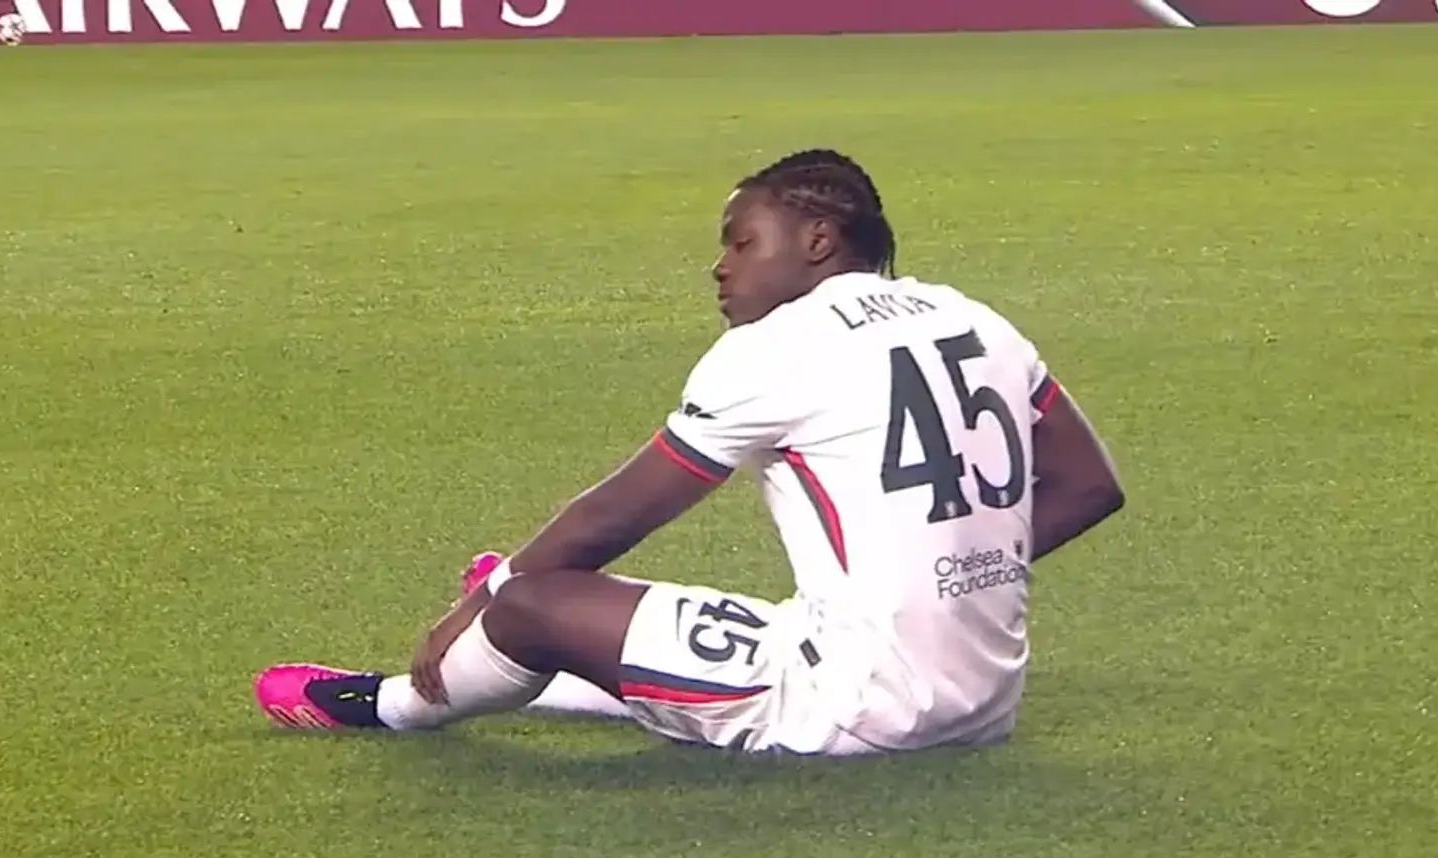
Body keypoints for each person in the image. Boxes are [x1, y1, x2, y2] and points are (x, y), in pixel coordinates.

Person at [254, 149, 1125, 756]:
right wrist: (948, 571)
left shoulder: (779, 346)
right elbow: (1089, 487)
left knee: (532, 604)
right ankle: (561, 668)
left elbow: (612, 516)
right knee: (692, 616)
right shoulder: (975, 317)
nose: (721, 267)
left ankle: (394, 708)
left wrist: (480, 604)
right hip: (984, 706)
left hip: (853, 711)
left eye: (741, 241)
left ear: (818, 241)